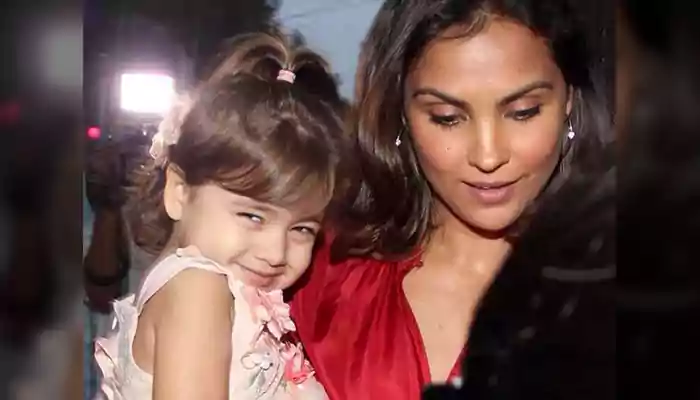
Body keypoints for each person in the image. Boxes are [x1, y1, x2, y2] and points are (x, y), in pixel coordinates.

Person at [289, 0, 611, 398]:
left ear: (570, 100)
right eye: (447, 117)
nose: (488, 156)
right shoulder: (313, 269)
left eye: (523, 112)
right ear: (401, 113)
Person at [93, 28, 350, 399]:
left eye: (302, 229)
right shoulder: (198, 289)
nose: (276, 252)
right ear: (179, 192)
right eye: (253, 217)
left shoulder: (217, 292)